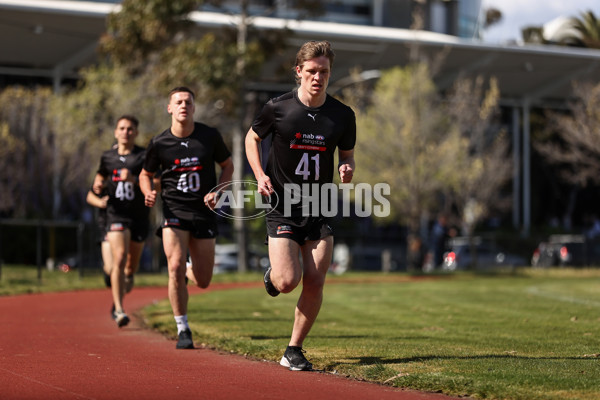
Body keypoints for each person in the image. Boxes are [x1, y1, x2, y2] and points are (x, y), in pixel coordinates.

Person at [245, 40, 356, 371]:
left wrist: (347, 167)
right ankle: (273, 274)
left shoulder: (343, 115)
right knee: (287, 282)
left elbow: (347, 154)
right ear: (299, 72)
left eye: (324, 72)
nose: (317, 77)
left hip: (319, 205)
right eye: (311, 71)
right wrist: (259, 174)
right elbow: (252, 138)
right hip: (283, 205)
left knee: (316, 279)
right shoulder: (278, 108)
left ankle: (293, 349)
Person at [139, 86, 234, 350]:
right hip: (174, 210)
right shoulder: (159, 143)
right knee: (174, 265)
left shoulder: (209, 136)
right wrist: (148, 192)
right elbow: (145, 174)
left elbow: (227, 166)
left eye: (188, 102)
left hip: (203, 213)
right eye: (178, 102)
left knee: (203, 281)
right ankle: (183, 328)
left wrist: (218, 191)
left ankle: (188, 270)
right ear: (169, 108)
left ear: (194, 107)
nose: (183, 106)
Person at [93, 115, 149, 328]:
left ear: (135, 133)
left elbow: (158, 183)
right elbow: (100, 178)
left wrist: (134, 180)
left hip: (138, 217)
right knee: (119, 258)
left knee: (129, 268)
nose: (126, 132)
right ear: (116, 132)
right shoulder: (107, 157)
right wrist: (99, 187)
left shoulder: (144, 156)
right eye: (122, 128)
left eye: (130, 129)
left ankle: (126, 280)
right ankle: (118, 309)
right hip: (115, 216)